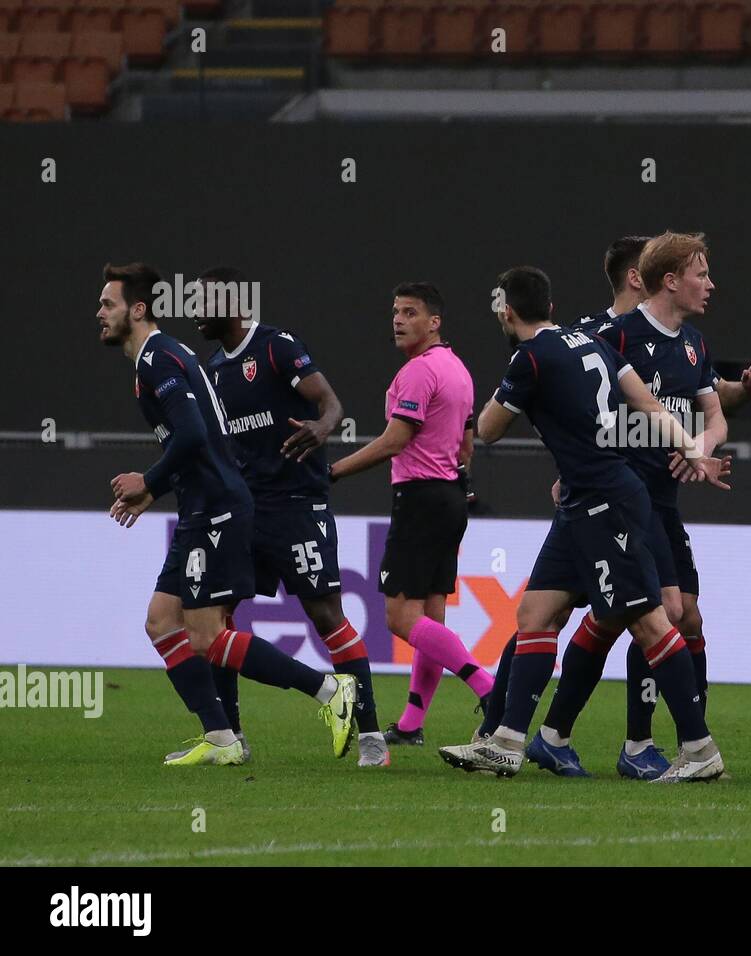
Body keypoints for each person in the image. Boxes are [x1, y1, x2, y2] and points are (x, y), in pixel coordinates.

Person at [438, 266, 729, 782]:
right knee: (536, 612)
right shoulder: (593, 345)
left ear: (507, 313)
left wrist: (498, 398)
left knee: (650, 622)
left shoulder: (529, 359)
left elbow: (487, 430)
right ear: (550, 307)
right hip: (587, 500)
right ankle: (507, 741)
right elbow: (647, 403)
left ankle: (700, 750)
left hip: (604, 501)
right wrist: (691, 448)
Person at [101, 262, 357, 765]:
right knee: (160, 623)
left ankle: (329, 692)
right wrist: (155, 493)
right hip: (202, 505)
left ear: (137, 309)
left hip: (217, 510)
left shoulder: (159, 358)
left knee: (205, 635)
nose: (99, 314)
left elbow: (195, 435)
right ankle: (221, 737)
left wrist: (148, 481)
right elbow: (199, 443)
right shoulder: (160, 358)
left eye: (107, 304)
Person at [195, 266, 387, 767]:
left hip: (298, 505)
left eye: (203, 301)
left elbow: (330, 402)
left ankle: (371, 739)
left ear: (232, 304)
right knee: (217, 620)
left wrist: (324, 427)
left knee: (326, 615)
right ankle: (230, 737)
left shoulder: (277, 346)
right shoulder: (213, 368)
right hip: (244, 510)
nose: (194, 311)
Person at [330, 282, 493, 735]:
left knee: (401, 618)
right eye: (396, 312)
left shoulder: (418, 373)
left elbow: (396, 439)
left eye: (410, 312)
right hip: (449, 498)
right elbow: (466, 444)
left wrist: (334, 471)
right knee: (431, 618)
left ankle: (487, 686)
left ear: (433, 322)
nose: (398, 320)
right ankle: (411, 724)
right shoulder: (458, 369)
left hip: (420, 499)